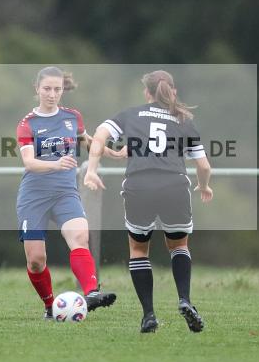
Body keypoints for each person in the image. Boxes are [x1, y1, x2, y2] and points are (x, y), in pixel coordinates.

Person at [84, 70, 213, 333]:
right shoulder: (184, 120)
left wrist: (92, 169)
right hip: (174, 187)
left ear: (147, 93)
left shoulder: (131, 115)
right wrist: (204, 184)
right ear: (172, 91)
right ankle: (185, 300)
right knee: (178, 246)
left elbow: (99, 136)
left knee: (139, 249)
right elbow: (203, 165)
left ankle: (149, 316)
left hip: (139, 186)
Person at [17, 66, 122, 320]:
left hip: (65, 192)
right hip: (34, 196)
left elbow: (88, 141)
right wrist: (56, 164)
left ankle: (92, 292)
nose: (52, 94)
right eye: (47, 89)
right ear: (37, 89)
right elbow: (29, 163)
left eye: (57, 89)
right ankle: (50, 307)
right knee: (36, 260)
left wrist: (114, 153)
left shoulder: (72, 117)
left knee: (79, 237)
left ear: (63, 90)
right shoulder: (28, 124)